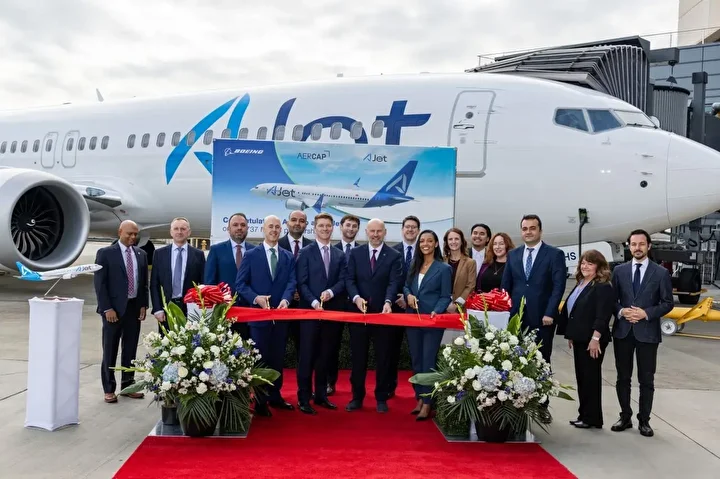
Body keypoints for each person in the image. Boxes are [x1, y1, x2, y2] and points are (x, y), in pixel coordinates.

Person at [501, 214, 566, 422]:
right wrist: (505, 312)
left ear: (540, 231)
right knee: (515, 361)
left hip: (542, 317)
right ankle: (517, 404)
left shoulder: (554, 254)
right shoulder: (513, 254)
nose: (528, 232)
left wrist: (550, 312)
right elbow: (506, 286)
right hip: (516, 318)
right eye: (525, 228)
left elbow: (558, 286)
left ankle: (542, 405)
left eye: (532, 228)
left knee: (542, 361)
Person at [610, 229, 673, 437]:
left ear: (649, 246)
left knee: (646, 379)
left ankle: (644, 420)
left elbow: (667, 303)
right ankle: (625, 416)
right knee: (623, 377)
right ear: (629, 246)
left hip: (647, 333)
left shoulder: (660, 273)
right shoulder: (619, 271)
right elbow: (612, 300)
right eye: (634, 244)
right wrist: (621, 311)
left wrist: (646, 313)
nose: (637, 248)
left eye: (641, 244)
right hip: (623, 332)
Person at [236, 215, 297, 417]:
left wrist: (286, 299)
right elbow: (240, 284)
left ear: (281, 230)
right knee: (260, 360)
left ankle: (276, 396)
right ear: (263, 229)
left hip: (280, 319)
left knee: (277, 359)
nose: (274, 230)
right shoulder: (251, 255)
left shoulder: (288, 257)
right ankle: (261, 401)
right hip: (258, 320)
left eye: (277, 227)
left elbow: (292, 282)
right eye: (270, 226)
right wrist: (256, 298)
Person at [345, 218, 403, 413]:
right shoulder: (355, 253)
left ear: (385, 232)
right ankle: (357, 397)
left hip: (382, 315)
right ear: (366, 232)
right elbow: (349, 279)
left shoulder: (394, 255)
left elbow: (394, 283)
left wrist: (388, 301)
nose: (376, 234)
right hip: (358, 315)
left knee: (383, 358)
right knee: (358, 358)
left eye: (379, 231)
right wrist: (356, 298)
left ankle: (381, 398)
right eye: (372, 231)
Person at [556, 250, 615, 429]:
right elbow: (574, 311)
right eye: (583, 263)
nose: (585, 266)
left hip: (593, 340)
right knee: (582, 377)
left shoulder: (602, 286)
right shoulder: (581, 283)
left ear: (599, 266)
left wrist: (595, 338)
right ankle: (585, 415)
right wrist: (572, 334)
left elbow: (602, 315)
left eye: (590, 263)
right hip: (580, 338)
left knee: (590, 378)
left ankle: (592, 418)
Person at [295, 213, 347, 414]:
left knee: (325, 356)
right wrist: (314, 302)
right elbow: (302, 283)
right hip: (309, 313)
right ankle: (304, 398)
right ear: (314, 228)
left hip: (331, 314)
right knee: (307, 357)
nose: (325, 229)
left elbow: (343, 280)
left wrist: (331, 292)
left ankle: (321, 395)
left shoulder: (339, 255)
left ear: (332, 228)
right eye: (321, 226)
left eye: (328, 226)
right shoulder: (305, 252)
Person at [93, 220, 149, 404]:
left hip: (133, 308)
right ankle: (109, 389)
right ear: (120, 232)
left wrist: (143, 305)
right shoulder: (105, 253)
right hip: (113, 309)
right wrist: (107, 308)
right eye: (129, 234)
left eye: (135, 234)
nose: (133, 237)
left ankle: (127, 386)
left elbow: (143, 284)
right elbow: (100, 284)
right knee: (110, 350)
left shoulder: (141, 254)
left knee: (130, 349)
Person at [404, 230, 452, 420]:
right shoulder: (414, 264)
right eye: (422, 241)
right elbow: (406, 286)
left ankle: (427, 403)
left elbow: (445, 296)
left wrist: (437, 311)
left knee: (428, 362)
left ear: (436, 244)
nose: (425, 244)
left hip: (432, 321)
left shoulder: (444, 268)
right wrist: (408, 295)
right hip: (412, 319)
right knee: (416, 360)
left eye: (429, 241)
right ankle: (419, 397)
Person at [205, 212, 255, 338]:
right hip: (224, 311)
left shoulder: (255, 251)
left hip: (249, 311)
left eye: (243, 225)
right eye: (235, 225)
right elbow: (209, 282)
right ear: (228, 229)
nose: (239, 228)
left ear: (247, 228)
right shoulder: (216, 250)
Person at [327, 214, 361, 396]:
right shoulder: (331, 250)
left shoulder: (363, 251)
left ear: (358, 229)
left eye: (354, 226)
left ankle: (356, 386)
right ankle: (329, 382)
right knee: (332, 346)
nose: (351, 229)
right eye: (348, 225)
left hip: (357, 306)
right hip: (335, 304)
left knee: (358, 348)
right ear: (340, 226)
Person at [150, 217, 205, 327]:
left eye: (183, 229)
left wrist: (201, 308)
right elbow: (154, 284)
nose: (179, 232)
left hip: (190, 308)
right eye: (176, 229)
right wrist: (157, 308)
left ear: (189, 232)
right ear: (171, 232)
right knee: (167, 338)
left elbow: (203, 283)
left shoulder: (198, 255)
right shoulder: (159, 254)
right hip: (166, 308)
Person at [390, 215, 420, 397]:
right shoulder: (392, 251)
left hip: (416, 308)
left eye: (413, 227)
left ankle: (420, 392)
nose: (410, 230)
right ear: (402, 230)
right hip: (395, 306)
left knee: (416, 352)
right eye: (407, 227)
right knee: (391, 350)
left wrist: (409, 297)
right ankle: (390, 387)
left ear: (418, 230)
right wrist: (398, 296)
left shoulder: (424, 252)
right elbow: (388, 278)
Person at [442, 227, 476, 312]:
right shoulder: (441, 261)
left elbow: (470, 287)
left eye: (456, 239)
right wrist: (444, 304)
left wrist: (456, 304)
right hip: (441, 308)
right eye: (450, 239)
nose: (453, 242)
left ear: (462, 241)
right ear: (447, 242)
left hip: (461, 309)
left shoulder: (470, 262)